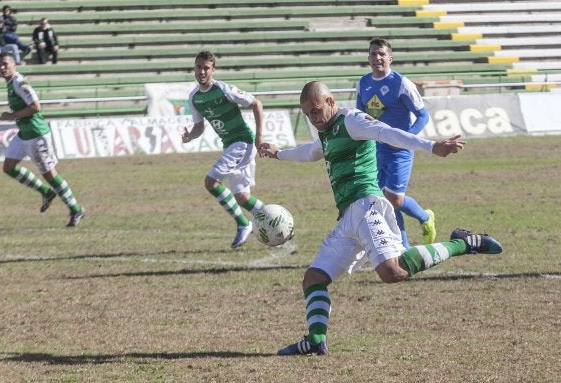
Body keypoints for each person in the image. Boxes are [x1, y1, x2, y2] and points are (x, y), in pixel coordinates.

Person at [259, 81, 503, 356]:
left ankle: (466, 243)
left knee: (392, 271)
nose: (313, 119)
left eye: (316, 111)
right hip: (347, 218)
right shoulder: (326, 132)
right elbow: (313, 152)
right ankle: (316, 341)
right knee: (313, 278)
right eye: (308, 114)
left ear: (330, 102)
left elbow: (387, 133)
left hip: (367, 206)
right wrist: (278, 153)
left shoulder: (351, 120)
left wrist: (431, 146)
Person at [181, 50, 265, 249]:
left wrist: (260, 137)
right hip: (230, 145)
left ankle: (244, 224)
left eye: (206, 68)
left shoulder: (223, 89)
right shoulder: (194, 98)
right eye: (198, 67)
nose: (201, 71)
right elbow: (199, 127)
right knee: (242, 198)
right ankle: (275, 220)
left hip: (242, 142)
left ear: (213, 70)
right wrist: (189, 136)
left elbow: (256, 104)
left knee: (211, 181)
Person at [356, 37, 434, 249]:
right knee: (385, 203)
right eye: (373, 54)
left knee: (395, 200)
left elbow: (423, 116)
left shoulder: (401, 83)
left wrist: (405, 140)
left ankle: (425, 217)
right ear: (368, 58)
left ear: (391, 58)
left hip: (400, 152)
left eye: (382, 54)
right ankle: (404, 248)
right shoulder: (363, 83)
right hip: (374, 151)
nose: (377, 58)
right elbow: (359, 117)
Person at [0, 52, 85, 227]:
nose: (2, 67)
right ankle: (46, 192)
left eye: (5, 64)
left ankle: (76, 209)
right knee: (8, 167)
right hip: (24, 134)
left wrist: (12, 115)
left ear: (14, 65)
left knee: (50, 174)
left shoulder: (18, 82)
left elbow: (36, 106)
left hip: (37, 135)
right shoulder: (10, 83)